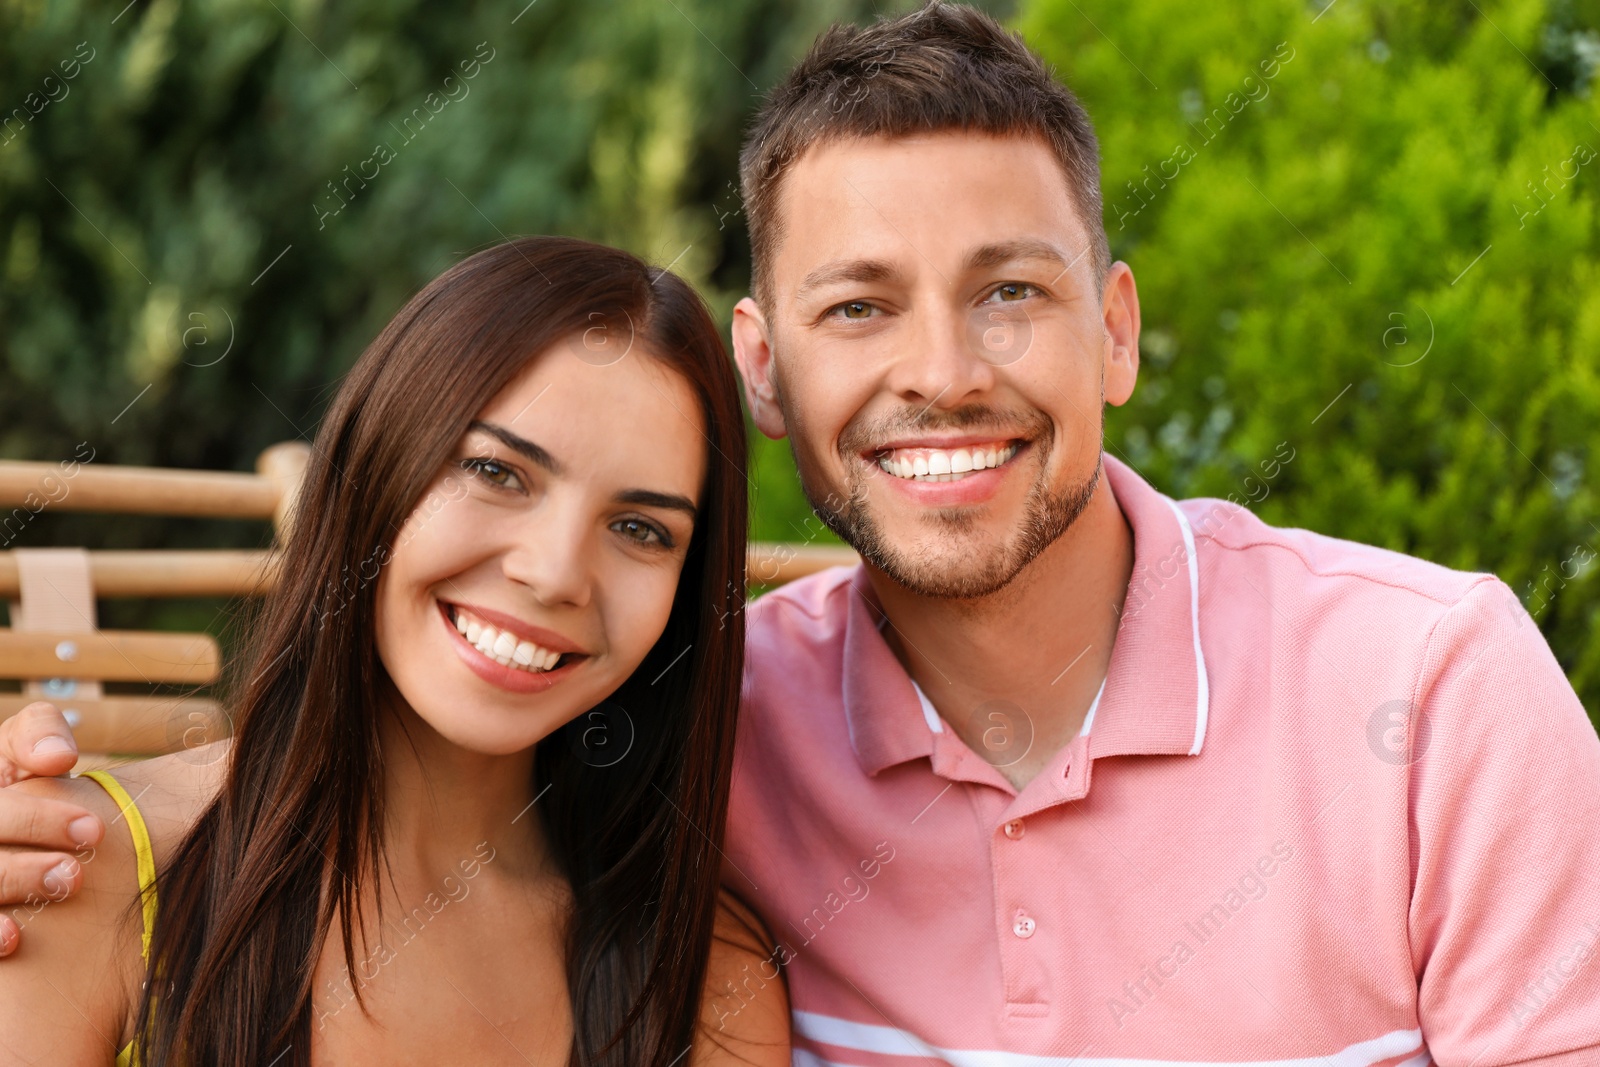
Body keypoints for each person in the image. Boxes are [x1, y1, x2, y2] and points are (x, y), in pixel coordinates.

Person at [5, 3, 1600, 1064]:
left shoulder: (1434, 689)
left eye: (1012, 292)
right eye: (862, 305)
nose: (942, 372)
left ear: (1115, 330)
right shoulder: (724, 730)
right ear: (770, 371)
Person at [0, 237, 789, 1064]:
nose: (556, 573)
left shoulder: (705, 985)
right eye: (496, 470)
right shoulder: (73, 873)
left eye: (639, 529)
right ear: (374, 465)